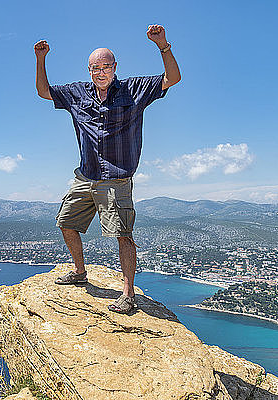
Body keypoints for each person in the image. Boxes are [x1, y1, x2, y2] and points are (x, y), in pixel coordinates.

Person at [34, 25, 181, 314]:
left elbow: (172, 78)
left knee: (123, 235)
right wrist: (41, 59)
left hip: (117, 178)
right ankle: (79, 272)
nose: (101, 72)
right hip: (86, 175)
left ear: (115, 67)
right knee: (66, 223)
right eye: (95, 68)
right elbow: (43, 92)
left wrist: (163, 45)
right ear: (89, 70)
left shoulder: (134, 90)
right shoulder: (77, 93)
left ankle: (128, 294)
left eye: (106, 67)